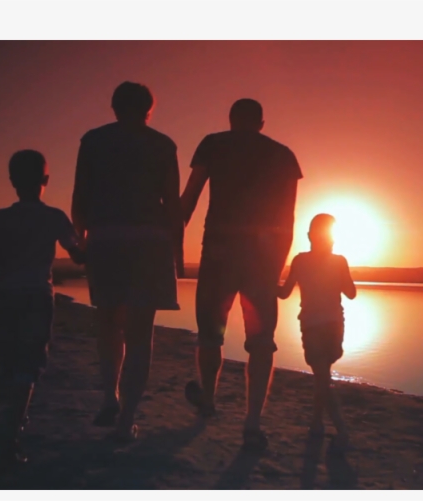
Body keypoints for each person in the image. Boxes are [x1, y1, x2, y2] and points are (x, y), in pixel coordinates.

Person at [181, 98, 302, 450]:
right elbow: (288, 219)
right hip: (262, 259)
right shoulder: (284, 155)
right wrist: (276, 266)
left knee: (210, 333)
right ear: (262, 123)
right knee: (262, 342)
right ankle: (252, 424)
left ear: (231, 119)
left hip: (218, 251)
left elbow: (188, 200)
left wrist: (172, 242)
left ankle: (207, 400)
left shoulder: (213, 144)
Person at [71, 82, 183, 441]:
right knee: (139, 334)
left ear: (114, 105)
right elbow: (172, 204)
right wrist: (177, 252)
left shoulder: (93, 140)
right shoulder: (163, 145)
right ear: (149, 108)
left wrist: (81, 240)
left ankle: (109, 396)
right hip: (150, 242)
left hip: (105, 238)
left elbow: (81, 196)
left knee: (108, 324)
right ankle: (126, 420)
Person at [0, 150, 85, 464]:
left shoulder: (1, 217)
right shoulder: (53, 217)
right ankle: (13, 430)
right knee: (30, 361)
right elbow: (78, 255)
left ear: (12, 181)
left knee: (12, 356)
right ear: (46, 180)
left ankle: (13, 418)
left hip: (6, 296)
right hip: (37, 296)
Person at [277, 214, 355, 450]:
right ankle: (318, 423)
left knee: (322, 376)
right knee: (323, 376)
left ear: (310, 235)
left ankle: (337, 427)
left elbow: (283, 293)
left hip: (315, 325)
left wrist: (265, 283)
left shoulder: (301, 261)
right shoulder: (339, 261)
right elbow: (351, 293)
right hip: (331, 325)